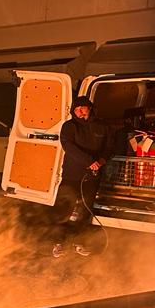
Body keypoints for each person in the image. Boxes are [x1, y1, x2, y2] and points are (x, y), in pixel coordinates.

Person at [52, 96, 112, 258]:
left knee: (84, 211)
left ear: (89, 108)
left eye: (82, 108)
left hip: (92, 177)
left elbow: (109, 147)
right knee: (64, 209)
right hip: (71, 175)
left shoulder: (102, 127)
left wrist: (101, 160)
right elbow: (69, 147)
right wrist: (89, 161)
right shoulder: (69, 126)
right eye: (76, 109)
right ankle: (59, 243)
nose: (79, 111)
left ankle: (78, 243)